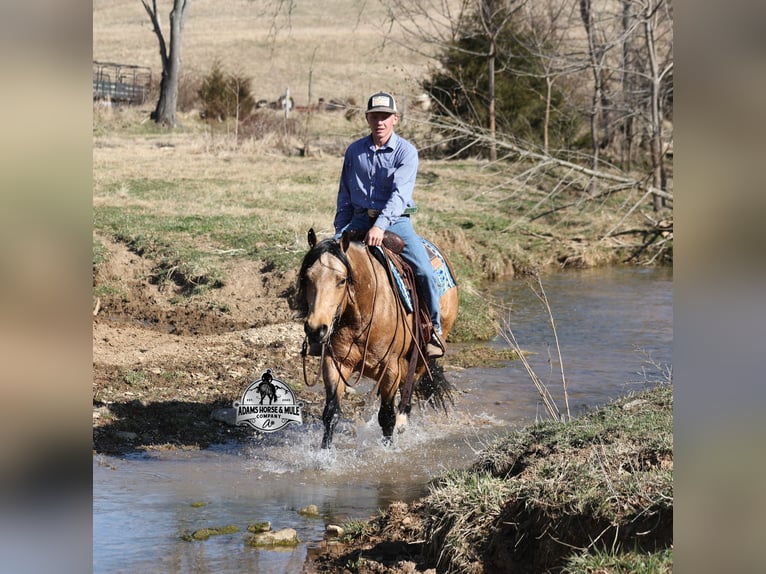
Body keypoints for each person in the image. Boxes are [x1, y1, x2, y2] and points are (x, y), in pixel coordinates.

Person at [333, 91, 444, 358]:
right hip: (359, 219)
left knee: (425, 272)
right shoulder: (354, 151)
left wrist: (380, 226)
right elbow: (344, 193)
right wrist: (339, 231)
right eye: (375, 116)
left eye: (385, 116)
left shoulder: (406, 152)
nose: (380, 122)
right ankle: (320, 332)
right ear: (367, 118)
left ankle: (434, 332)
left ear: (395, 119)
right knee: (326, 267)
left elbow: (398, 196)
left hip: (396, 222)